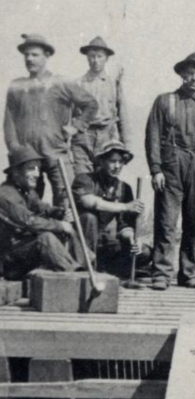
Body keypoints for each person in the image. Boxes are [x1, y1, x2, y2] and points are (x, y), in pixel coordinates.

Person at [145, 52, 195, 290]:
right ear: (181, 74)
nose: (193, 78)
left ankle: (188, 273)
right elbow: (153, 137)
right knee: (167, 221)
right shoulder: (164, 101)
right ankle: (161, 273)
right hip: (171, 165)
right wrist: (156, 169)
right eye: (189, 73)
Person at [3, 34, 97, 207]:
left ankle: (66, 233)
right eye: (26, 55)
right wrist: (15, 148)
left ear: (47, 56)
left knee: (66, 201)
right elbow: (9, 122)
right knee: (27, 203)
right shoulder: (16, 85)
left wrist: (75, 126)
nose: (29, 59)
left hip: (56, 154)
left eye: (35, 55)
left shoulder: (60, 82)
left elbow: (91, 104)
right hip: (27, 157)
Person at [72, 141, 149, 277]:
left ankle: (107, 269)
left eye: (120, 162)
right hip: (84, 245)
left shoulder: (125, 188)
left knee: (145, 252)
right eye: (112, 161)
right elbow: (89, 201)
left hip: (108, 245)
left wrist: (132, 238)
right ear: (101, 161)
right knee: (89, 217)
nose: (117, 166)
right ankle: (87, 269)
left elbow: (124, 225)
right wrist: (125, 207)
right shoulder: (85, 179)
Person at [0, 146, 79, 279]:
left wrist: (60, 212)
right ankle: (72, 277)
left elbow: (43, 208)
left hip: (24, 252)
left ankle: (84, 267)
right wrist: (60, 225)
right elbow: (29, 221)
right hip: (10, 261)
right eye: (31, 168)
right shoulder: (6, 195)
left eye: (37, 168)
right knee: (45, 238)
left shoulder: (27, 192)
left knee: (67, 230)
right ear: (15, 172)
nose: (37, 174)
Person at [73, 37, 130, 176]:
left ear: (106, 58)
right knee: (82, 178)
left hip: (107, 136)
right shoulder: (78, 83)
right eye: (92, 56)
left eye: (100, 56)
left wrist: (127, 146)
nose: (95, 60)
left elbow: (123, 115)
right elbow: (71, 115)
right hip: (84, 137)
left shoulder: (113, 84)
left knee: (104, 179)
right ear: (87, 58)